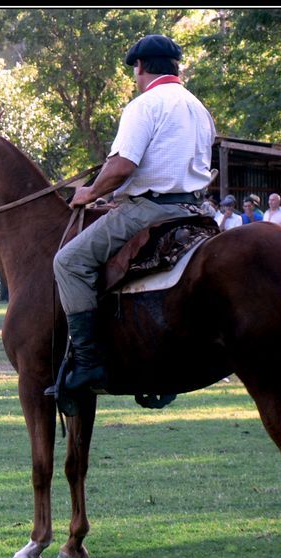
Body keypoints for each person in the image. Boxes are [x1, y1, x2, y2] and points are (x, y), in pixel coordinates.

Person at [52, 33, 215, 395]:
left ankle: (88, 364)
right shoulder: (199, 108)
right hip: (195, 211)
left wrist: (90, 193)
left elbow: (122, 166)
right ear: (177, 68)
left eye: (136, 70)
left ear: (139, 68)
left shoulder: (145, 104)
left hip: (150, 209)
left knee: (69, 262)